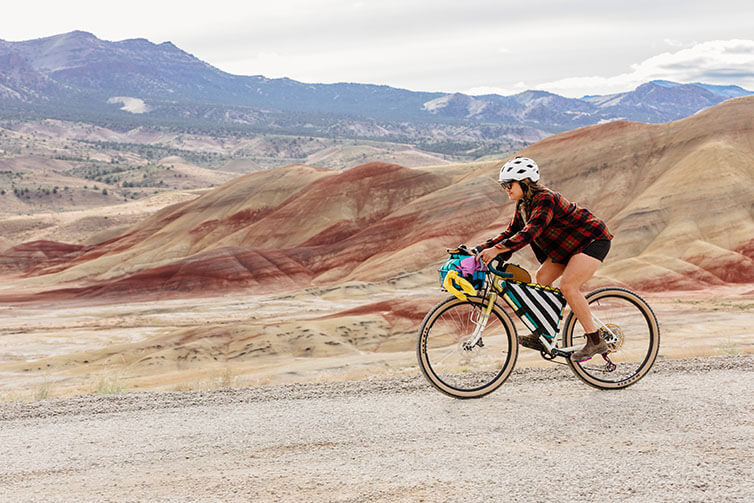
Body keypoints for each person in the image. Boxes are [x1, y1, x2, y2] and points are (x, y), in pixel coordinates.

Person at [472, 156, 613, 362]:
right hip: (566, 246)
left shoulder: (544, 198)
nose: (506, 189)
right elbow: (511, 232)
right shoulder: (523, 205)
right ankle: (545, 334)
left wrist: (498, 250)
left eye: (509, 185)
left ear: (524, 182)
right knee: (542, 279)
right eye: (504, 186)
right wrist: (479, 249)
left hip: (592, 239)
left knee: (568, 286)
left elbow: (531, 231)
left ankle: (595, 339)